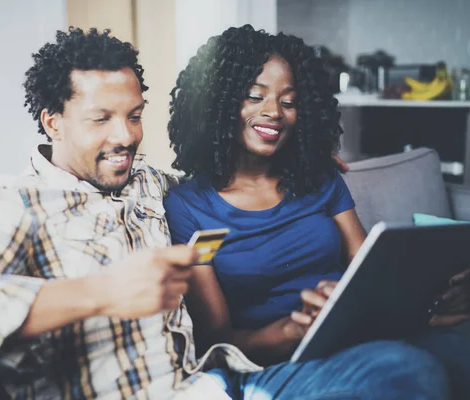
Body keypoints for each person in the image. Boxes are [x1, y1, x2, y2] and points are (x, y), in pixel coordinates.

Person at [0, 27, 449, 400]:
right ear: (51, 121)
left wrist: (300, 149)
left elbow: (232, 178)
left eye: (134, 116)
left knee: (412, 369)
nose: (124, 136)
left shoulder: (154, 187)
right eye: (101, 118)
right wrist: (100, 293)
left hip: (221, 385)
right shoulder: (10, 201)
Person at [164, 24, 470, 398]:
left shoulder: (318, 177)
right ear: (218, 103)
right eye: (254, 97)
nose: (274, 112)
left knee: (457, 352)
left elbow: (371, 269)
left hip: (357, 335)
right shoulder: (188, 206)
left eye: (288, 102)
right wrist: (290, 331)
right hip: (275, 365)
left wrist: (435, 299)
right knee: (409, 369)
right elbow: (215, 341)